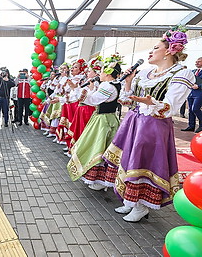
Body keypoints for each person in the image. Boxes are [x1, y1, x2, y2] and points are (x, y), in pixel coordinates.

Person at [103, 26, 195, 222]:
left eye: (155, 48)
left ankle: (142, 206)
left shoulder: (181, 74)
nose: (150, 52)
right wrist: (128, 82)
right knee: (129, 160)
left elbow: (170, 107)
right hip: (134, 122)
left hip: (154, 126)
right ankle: (130, 200)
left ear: (169, 51)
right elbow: (128, 100)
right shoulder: (145, 72)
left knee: (144, 163)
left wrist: (151, 103)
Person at [67, 54, 123, 191]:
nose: (100, 74)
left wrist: (79, 90)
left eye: (103, 71)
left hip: (103, 121)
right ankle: (100, 179)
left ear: (108, 74)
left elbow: (92, 100)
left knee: (97, 148)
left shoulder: (107, 86)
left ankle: (100, 180)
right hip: (108, 118)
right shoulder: (114, 84)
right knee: (101, 148)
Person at [181, 57, 202, 132]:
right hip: (191, 93)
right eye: (196, 61)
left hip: (199, 93)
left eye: (199, 61)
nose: (196, 63)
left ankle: (201, 125)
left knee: (195, 109)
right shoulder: (193, 71)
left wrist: (199, 86)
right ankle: (191, 126)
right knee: (190, 110)